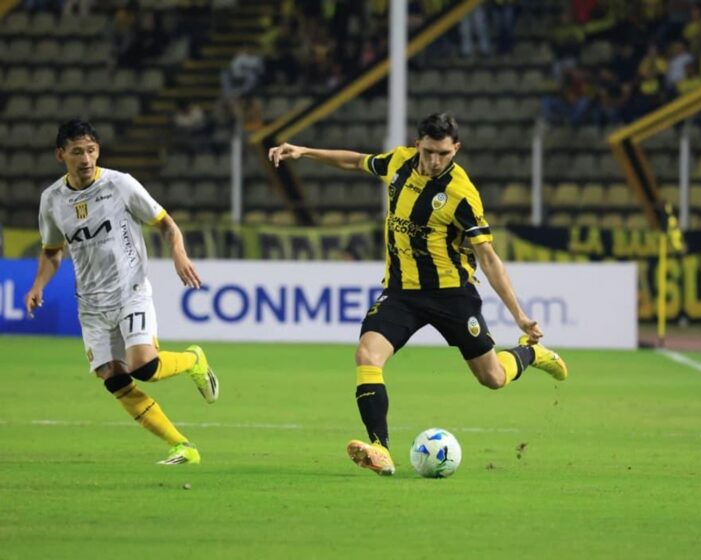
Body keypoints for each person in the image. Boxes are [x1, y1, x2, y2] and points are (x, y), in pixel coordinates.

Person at [267, 112, 569, 476]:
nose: (434, 161)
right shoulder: (399, 162)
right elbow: (356, 160)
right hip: (402, 294)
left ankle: (530, 354)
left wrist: (519, 314)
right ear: (417, 144)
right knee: (367, 354)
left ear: (455, 148)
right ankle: (380, 448)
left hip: (452, 296)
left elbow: (488, 257)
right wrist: (304, 151)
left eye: (443, 153)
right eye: (428, 152)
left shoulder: (461, 194)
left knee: (492, 378)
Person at [24, 120, 220, 464]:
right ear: (61, 155)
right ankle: (182, 446)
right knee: (114, 379)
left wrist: (179, 253)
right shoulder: (52, 200)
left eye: (91, 150)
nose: (85, 158)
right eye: (76, 152)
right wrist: (39, 284)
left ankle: (193, 360)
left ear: (97, 150)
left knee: (143, 366)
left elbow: (165, 223)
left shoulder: (120, 184)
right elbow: (53, 251)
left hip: (130, 290)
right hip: (90, 303)